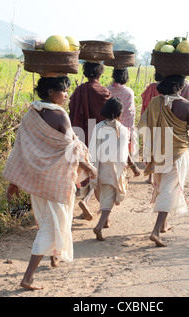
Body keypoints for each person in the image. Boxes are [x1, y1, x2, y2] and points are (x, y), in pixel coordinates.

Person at [3, 76, 97, 290]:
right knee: (50, 225)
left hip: (37, 180)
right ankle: (27, 277)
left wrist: (14, 181)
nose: (67, 94)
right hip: (56, 180)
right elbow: (72, 149)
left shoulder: (31, 114)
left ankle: (55, 255)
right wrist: (89, 167)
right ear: (51, 92)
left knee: (50, 220)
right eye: (63, 91)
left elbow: (20, 147)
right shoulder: (59, 115)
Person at [138, 75, 189, 247]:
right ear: (179, 87)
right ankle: (155, 231)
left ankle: (164, 225)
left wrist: (147, 151)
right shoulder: (186, 105)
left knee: (164, 186)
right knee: (171, 189)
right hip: (178, 153)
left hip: (159, 150)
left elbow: (144, 125)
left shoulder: (155, 102)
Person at [69, 61, 111, 220]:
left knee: (87, 168)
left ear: (85, 73)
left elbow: (71, 110)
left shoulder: (78, 91)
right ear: (101, 74)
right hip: (99, 135)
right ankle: (88, 202)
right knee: (97, 170)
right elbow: (108, 116)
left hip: (80, 134)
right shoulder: (104, 92)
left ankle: (84, 200)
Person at [89, 97, 133, 241]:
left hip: (99, 166)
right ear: (120, 113)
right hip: (113, 168)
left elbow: (92, 149)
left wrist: (92, 166)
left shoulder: (98, 126)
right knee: (111, 196)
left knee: (103, 194)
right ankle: (99, 225)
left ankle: (106, 221)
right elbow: (123, 154)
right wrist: (125, 169)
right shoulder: (122, 130)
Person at [107, 69, 140, 177]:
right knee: (123, 148)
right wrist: (129, 129)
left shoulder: (107, 90)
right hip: (124, 126)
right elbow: (130, 112)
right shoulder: (129, 92)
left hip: (109, 124)